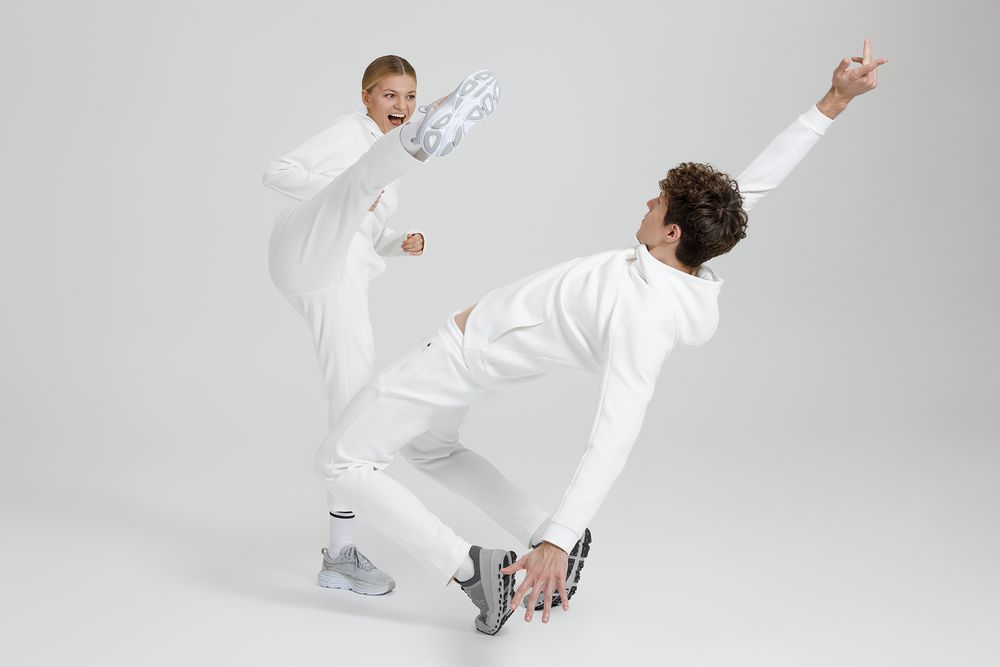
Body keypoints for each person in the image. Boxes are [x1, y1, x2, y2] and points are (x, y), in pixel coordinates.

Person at [314, 40, 888, 634]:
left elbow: (615, 433)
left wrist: (561, 538)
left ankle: (470, 570)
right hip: (485, 362)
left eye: (658, 203)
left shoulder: (645, 316)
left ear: (671, 231)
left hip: (459, 357)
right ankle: (538, 532)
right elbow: (755, 188)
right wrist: (834, 101)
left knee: (340, 462)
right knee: (432, 451)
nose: (647, 202)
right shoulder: (677, 262)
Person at [264, 57, 501, 595]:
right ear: (366, 97)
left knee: (352, 409)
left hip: (335, 275)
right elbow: (277, 172)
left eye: (411, 98)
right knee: (360, 177)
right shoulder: (350, 132)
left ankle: (339, 554)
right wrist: (340, 188)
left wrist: (398, 242)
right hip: (305, 245)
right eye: (391, 96)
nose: (400, 104)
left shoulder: (377, 170)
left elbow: (366, 232)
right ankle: (430, 131)